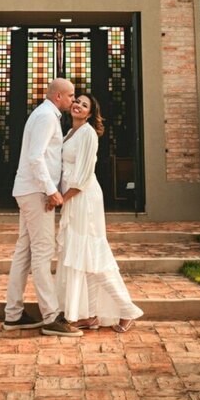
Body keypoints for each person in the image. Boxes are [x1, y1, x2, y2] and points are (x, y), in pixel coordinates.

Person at [56, 92, 142, 332]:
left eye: (84, 105)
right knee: (82, 257)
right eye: (77, 102)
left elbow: (83, 175)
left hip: (84, 198)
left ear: (90, 114)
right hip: (73, 198)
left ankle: (127, 310)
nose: (78, 106)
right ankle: (91, 314)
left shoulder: (88, 134)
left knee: (93, 255)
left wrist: (62, 199)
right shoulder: (70, 133)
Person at [2, 77, 82, 336]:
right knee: (43, 252)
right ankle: (51, 316)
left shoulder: (44, 114)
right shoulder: (47, 117)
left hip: (29, 189)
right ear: (58, 96)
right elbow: (35, 157)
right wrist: (51, 190)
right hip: (36, 192)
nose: (72, 100)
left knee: (24, 252)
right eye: (70, 96)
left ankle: (13, 315)